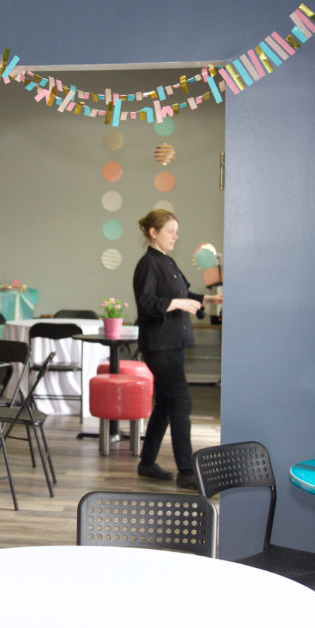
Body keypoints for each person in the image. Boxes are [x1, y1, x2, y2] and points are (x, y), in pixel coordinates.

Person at [132, 209, 223, 488]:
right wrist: (180, 304)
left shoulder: (167, 262)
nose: (175, 236)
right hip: (160, 346)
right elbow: (147, 303)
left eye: (176, 231)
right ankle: (186, 471)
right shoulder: (147, 264)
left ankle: (147, 463)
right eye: (170, 231)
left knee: (166, 403)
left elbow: (182, 295)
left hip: (174, 344)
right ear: (153, 232)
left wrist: (207, 298)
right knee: (182, 402)